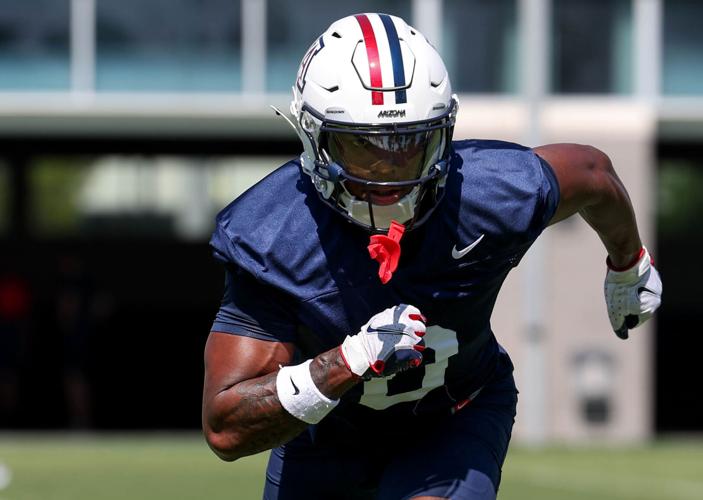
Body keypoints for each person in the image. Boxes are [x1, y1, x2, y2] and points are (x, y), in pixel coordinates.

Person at [202, 13, 662, 500]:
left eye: (410, 144)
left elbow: (594, 174)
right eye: (362, 147)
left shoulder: (489, 192)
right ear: (314, 138)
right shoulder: (272, 234)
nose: (390, 173)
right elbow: (225, 427)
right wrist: (346, 362)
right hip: (326, 436)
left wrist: (629, 265)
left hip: (455, 417)